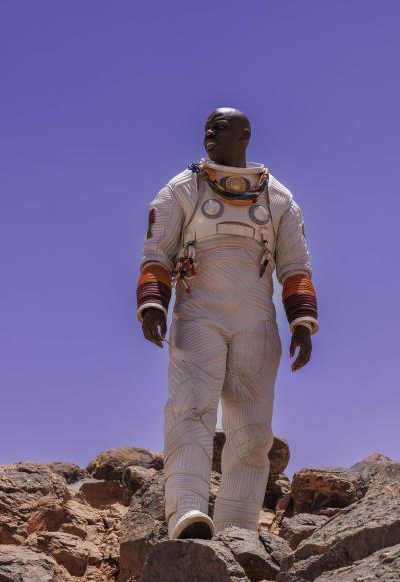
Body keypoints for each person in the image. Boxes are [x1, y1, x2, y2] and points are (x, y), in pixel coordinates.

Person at [135, 107, 319, 539]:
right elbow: (156, 254)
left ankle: (238, 526)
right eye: (207, 128)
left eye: (220, 127)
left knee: (252, 430)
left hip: (256, 321)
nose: (209, 133)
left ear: (245, 134)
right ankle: (186, 511)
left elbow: (295, 266)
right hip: (198, 314)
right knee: (190, 409)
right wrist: (153, 303)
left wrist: (302, 322)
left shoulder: (278, 198)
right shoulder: (183, 189)